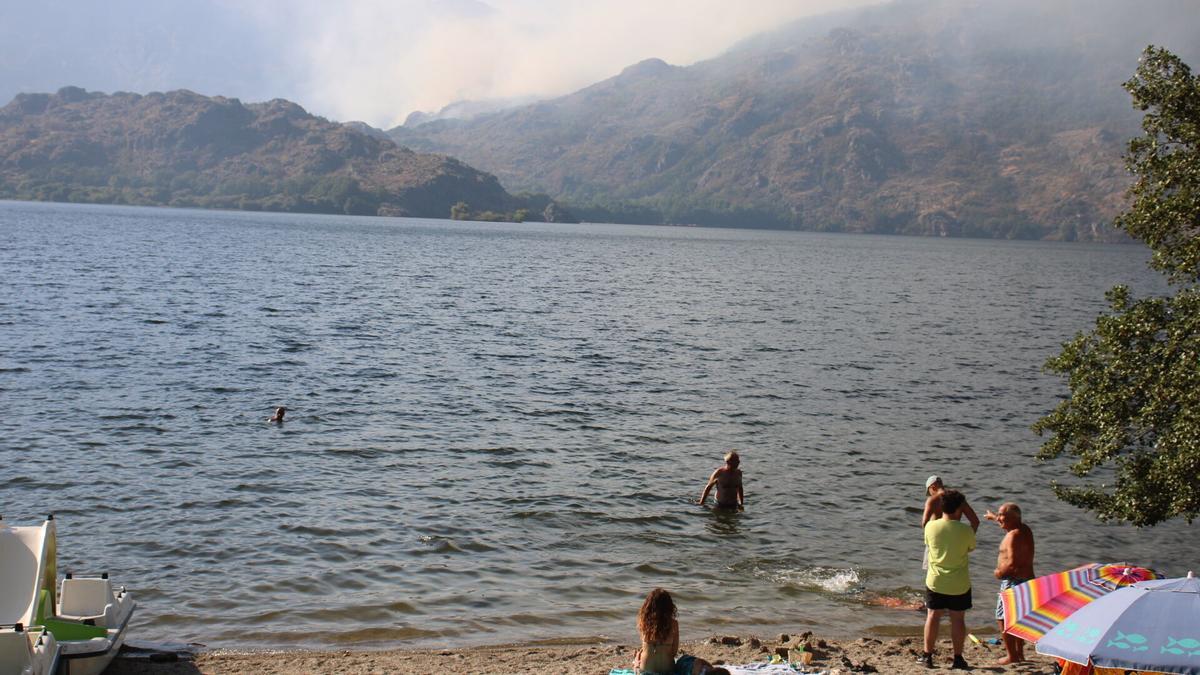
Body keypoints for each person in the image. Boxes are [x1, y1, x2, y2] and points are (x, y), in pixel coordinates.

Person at [922, 489, 977, 670]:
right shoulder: (966, 531)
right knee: (958, 619)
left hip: (936, 581)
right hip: (959, 583)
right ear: (959, 508)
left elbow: (929, 544)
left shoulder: (931, 527)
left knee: (932, 616)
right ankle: (958, 658)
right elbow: (970, 547)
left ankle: (927, 656)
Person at [986, 502, 1035, 665]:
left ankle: (1012, 656)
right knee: (1018, 618)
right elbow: (1008, 524)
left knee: (1003, 618)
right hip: (1027, 581)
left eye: (1002, 516)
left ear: (1014, 518)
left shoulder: (1013, 536)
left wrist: (999, 573)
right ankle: (1020, 654)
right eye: (998, 515)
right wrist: (994, 517)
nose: (999, 518)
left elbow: (1013, 564)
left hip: (1013, 581)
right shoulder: (1024, 529)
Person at [634, 589, 718, 675]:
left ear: (648, 606)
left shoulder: (644, 622)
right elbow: (673, 652)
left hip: (645, 672)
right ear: (669, 606)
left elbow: (644, 648)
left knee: (638, 658)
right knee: (688, 659)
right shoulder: (673, 624)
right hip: (667, 672)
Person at [921, 475, 979, 570]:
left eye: (929, 492)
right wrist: (966, 539)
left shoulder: (932, 500)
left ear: (933, 487)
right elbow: (975, 522)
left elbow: (924, 523)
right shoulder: (957, 499)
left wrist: (930, 538)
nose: (930, 494)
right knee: (955, 570)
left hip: (936, 541)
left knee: (933, 571)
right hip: (956, 540)